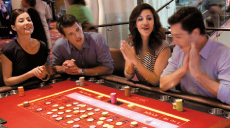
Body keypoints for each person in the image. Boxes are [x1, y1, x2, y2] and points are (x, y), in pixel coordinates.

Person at [160, 7, 230, 104]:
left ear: (195, 33)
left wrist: (196, 73)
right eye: (173, 36)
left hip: (217, 113)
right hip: (187, 108)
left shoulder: (224, 54)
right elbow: (163, 84)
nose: (174, 41)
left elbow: (228, 95)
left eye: (178, 36)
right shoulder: (178, 49)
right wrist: (183, 69)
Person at [120, 3, 171, 86]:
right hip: (143, 90)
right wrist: (130, 63)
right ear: (135, 24)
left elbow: (156, 81)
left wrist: (135, 61)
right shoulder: (132, 42)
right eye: (140, 19)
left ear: (154, 22)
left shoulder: (163, 46)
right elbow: (128, 76)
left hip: (160, 93)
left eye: (149, 18)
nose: (145, 22)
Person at [1, 9, 49, 86]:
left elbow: (46, 74)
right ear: (14, 27)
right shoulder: (8, 50)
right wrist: (30, 74)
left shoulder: (41, 45)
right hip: (20, 91)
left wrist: (44, 75)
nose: (27, 23)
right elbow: (7, 81)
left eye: (29, 20)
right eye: (21, 21)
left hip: (40, 88)